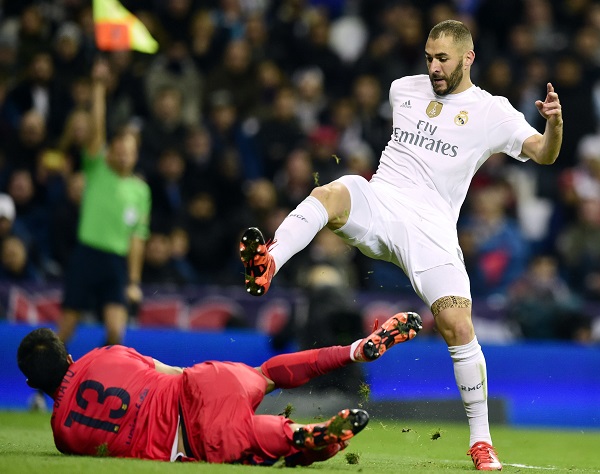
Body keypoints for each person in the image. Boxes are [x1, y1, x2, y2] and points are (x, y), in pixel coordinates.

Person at [240, 19, 563, 472]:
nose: (434, 67)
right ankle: (269, 263)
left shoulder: (492, 111)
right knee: (331, 193)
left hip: (432, 230)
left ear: (468, 57)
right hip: (381, 203)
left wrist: (554, 126)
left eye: (443, 59)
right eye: (429, 58)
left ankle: (481, 442)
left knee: (457, 324)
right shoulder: (402, 89)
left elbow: (545, 153)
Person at [16, 311, 422, 465]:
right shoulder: (106, 354)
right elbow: (170, 371)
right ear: (69, 355)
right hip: (202, 382)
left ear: (33, 382)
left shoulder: (64, 435)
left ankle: (306, 435)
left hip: (188, 438)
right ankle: (352, 350)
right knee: (266, 373)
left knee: (255, 439)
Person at [57, 58, 151, 346]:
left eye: (128, 151)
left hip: (115, 264)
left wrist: (134, 281)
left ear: (136, 155)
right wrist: (98, 88)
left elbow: (137, 238)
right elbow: (97, 129)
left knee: (116, 333)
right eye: (118, 149)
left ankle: (99, 369)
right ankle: (47, 374)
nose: (122, 154)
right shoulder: (96, 168)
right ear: (110, 152)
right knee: (66, 329)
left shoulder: (141, 190)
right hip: (86, 256)